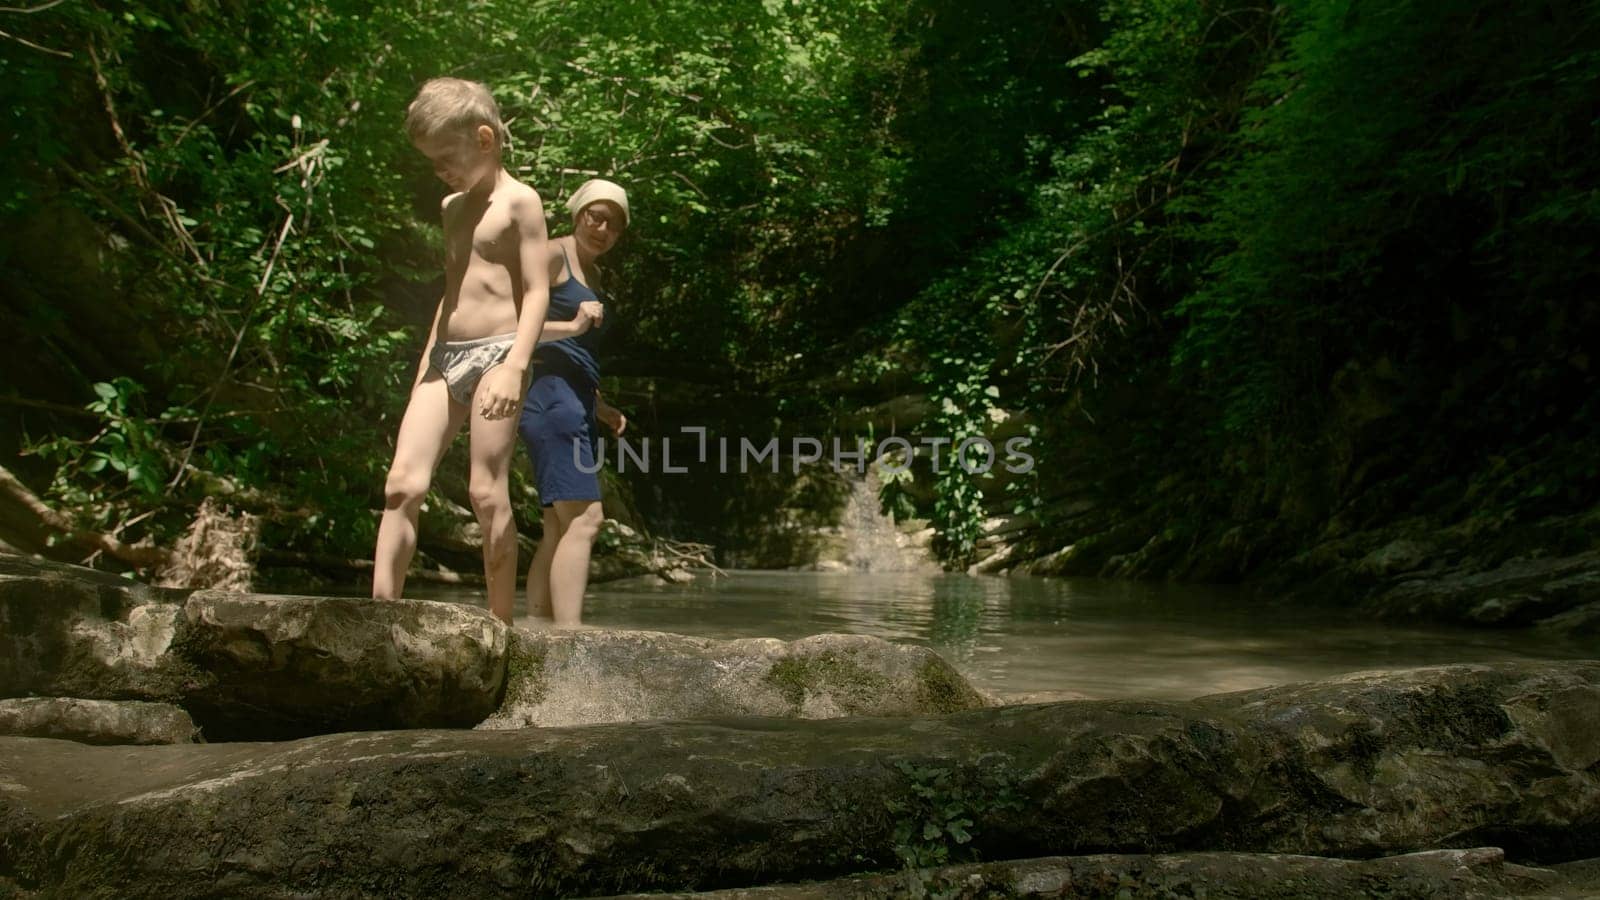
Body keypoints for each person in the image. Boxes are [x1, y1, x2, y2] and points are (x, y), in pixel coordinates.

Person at [372, 78, 550, 624]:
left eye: (446, 158)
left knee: (486, 493)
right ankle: (379, 619)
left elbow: (538, 290)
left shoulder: (521, 202)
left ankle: (502, 630)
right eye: (432, 162)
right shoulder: (451, 207)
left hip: (500, 355)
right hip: (444, 356)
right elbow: (450, 292)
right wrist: (426, 364)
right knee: (402, 484)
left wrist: (516, 367)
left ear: (485, 138)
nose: (439, 171)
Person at [519, 179, 630, 626]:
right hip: (548, 397)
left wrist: (601, 406)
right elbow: (507, 327)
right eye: (595, 216)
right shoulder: (551, 255)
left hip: (576, 401)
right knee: (586, 519)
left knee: (557, 526)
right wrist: (573, 326)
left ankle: (536, 633)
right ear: (578, 213)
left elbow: (580, 354)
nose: (602, 229)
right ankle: (569, 641)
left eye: (614, 225)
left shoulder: (595, 274)